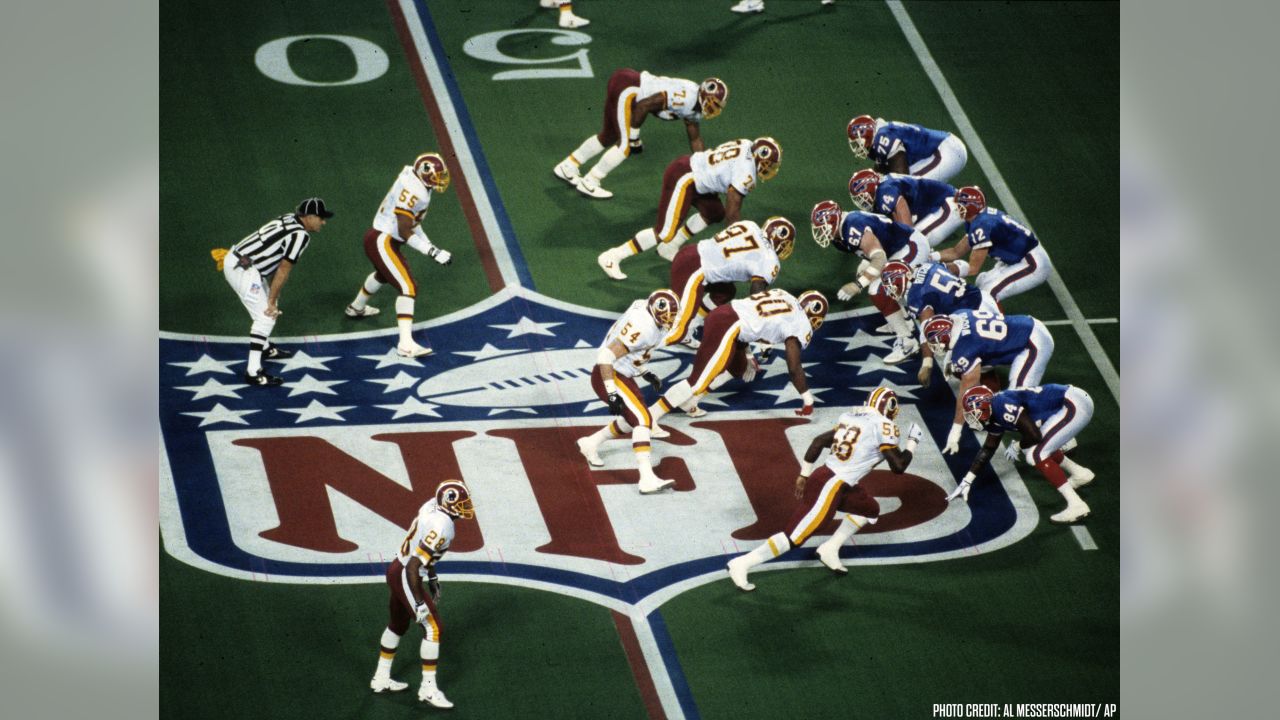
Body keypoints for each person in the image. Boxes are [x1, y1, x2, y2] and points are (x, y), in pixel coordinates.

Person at [727, 387, 921, 590]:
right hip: (831, 485)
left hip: (833, 479)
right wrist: (912, 443)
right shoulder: (884, 426)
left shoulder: (851, 417)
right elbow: (898, 467)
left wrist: (804, 474)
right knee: (795, 537)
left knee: (869, 509)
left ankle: (830, 548)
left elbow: (818, 441)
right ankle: (741, 564)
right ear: (889, 407)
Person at [596, 137, 782, 280]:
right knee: (664, 232)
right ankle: (613, 256)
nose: (769, 168)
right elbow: (733, 212)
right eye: (769, 164)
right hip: (686, 178)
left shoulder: (747, 143)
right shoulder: (747, 172)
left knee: (714, 212)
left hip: (694, 172)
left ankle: (670, 248)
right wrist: (739, 240)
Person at [646, 288, 827, 428]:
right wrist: (807, 398)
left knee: (738, 366)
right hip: (729, 326)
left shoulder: (784, 295)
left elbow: (753, 317)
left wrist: (748, 354)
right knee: (697, 381)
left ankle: (690, 402)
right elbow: (794, 366)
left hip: (727, 315)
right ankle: (652, 416)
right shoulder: (801, 322)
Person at [369, 480, 474, 708]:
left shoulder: (431, 507)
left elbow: (422, 551)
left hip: (397, 568)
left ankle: (381, 677)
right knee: (433, 627)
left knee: (397, 624)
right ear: (448, 503)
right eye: (461, 503)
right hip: (406, 573)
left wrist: (433, 577)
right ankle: (427, 689)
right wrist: (419, 602)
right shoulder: (443, 526)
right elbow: (414, 566)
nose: (466, 507)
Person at [553, 70, 728, 199]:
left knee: (608, 135)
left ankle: (568, 165)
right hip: (629, 88)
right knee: (625, 145)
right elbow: (644, 105)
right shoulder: (686, 99)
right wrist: (634, 137)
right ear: (703, 95)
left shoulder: (694, 108)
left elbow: (695, 139)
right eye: (713, 103)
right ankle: (591, 180)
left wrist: (704, 168)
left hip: (625, 83)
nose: (713, 108)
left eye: (717, 106)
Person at [345, 153, 454, 358]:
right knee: (408, 287)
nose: (440, 179)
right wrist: (431, 252)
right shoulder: (415, 191)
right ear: (423, 173)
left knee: (383, 274)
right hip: (382, 239)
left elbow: (414, 224)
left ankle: (356, 307)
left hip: (383, 237)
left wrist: (432, 247)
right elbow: (405, 230)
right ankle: (405, 345)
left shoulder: (417, 183)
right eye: (435, 175)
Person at [216, 198, 331, 386]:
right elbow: (283, 269)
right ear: (309, 217)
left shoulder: (288, 218)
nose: (323, 222)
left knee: (271, 306)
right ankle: (253, 372)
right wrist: (270, 300)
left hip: (243, 262)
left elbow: (274, 258)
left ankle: (266, 348)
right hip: (244, 270)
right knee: (266, 316)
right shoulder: (301, 236)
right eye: (321, 218)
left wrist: (272, 298)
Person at [576, 289, 681, 495]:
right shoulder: (643, 326)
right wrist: (612, 393)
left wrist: (644, 372)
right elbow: (606, 356)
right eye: (665, 317)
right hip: (610, 373)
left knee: (634, 418)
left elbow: (636, 351)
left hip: (624, 372)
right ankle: (646, 478)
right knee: (642, 420)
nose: (669, 321)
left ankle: (591, 443)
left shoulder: (648, 313)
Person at [947, 384, 1095, 524]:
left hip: (1074, 404)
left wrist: (1017, 446)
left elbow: (1035, 436)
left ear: (984, 407)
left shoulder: (1001, 405)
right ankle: (1080, 473)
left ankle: (1076, 504)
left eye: (973, 413)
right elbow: (988, 448)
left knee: (1036, 454)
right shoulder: (994, 412)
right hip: (1069, 404)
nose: (971, 418)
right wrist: (967, 480)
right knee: (1034, 448)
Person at [810, 199, 929, 364]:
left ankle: (907, 341)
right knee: (865, 273)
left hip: (909, 246)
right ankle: (904, 321)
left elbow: (879, 258)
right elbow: (872, 252)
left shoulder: (852, 226)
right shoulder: (840, 235)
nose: (821, 232)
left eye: (824, 227)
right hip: (891, 248)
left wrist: (858, 285)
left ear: (834, 221)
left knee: (877, 289)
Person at [921, 309, 1054, 454]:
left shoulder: (966, 347)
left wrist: (955, 432)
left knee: (1016, 401)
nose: (933, 345)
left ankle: (1053, 434)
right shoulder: (958, 315)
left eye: (935, 341)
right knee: (961, 367)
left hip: (1033, 343)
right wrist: (952, 358)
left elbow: (966, 390)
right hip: (1025, 325)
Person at [665, 217, 793, 348]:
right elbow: (756, 301)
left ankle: (690, 327)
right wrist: (753, 341)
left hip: (690, 253)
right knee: (673, 329)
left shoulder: (749, 224)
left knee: (726, 291)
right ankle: (645, 351)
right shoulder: (770, 260)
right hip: (693, 272)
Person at [879, 261, 1000, 385]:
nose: (892, 290)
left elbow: (927, 328)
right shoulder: (926, 265)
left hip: (972, 320)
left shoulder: (916, 296)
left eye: (892, 285)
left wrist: (927, 364)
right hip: (984, 299)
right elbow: (960, 267)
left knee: (965, 365)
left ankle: (989, 395)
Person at [935, 185, 1051, 303]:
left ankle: (995, 321)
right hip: (1016, 259)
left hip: (1032, 262)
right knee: (982, 282)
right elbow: (956, 252)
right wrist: (933, 257)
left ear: (971, 207)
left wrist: (942, 270)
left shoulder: (982, 224)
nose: (956, 207)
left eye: (960, 204)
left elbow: (973, 268)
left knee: (990, 293)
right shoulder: (977, 219)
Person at [848, 169, 962, 247]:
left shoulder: (885, 192)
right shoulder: (883, 187)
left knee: (915, 243)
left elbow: (908, 230)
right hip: (935, 204)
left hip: (950, 204)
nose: (862, 202)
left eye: (862, 197)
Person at [847, 115, 968, 183]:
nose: (858, 147)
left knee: (910, 186)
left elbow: (901, 177)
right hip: (939, 151)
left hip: (946, 152)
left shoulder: (882, 137)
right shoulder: (881, 135)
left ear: (867, 135)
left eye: (858, 142)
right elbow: (881, 172)